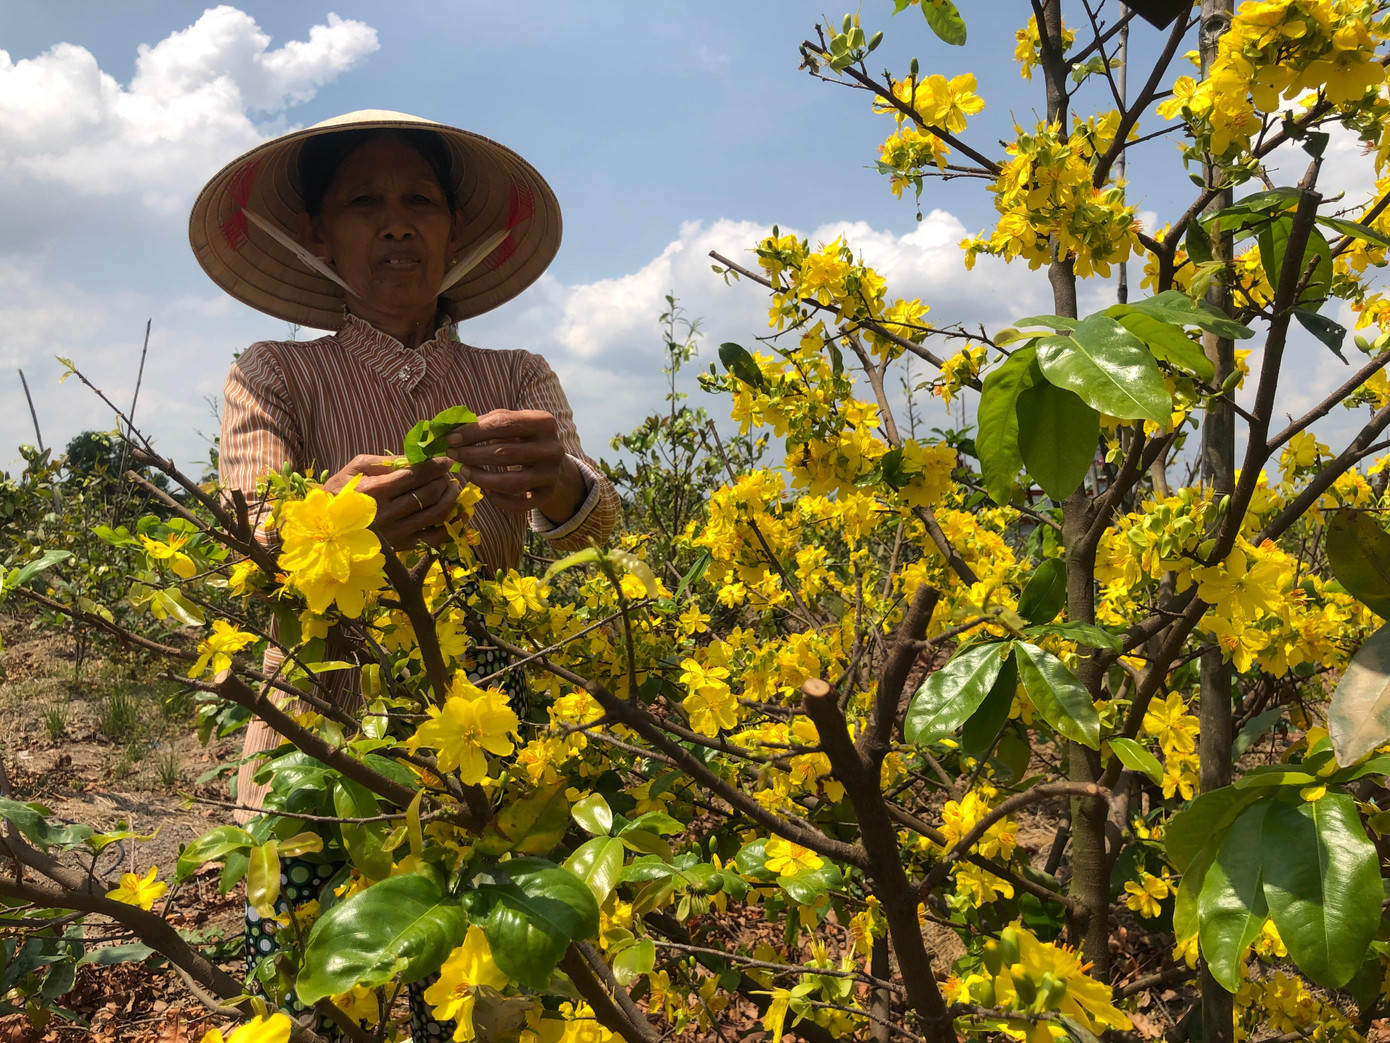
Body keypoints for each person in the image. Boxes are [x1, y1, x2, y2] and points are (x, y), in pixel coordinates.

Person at [189, 110, 618, 1039]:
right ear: (318, 237)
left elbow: (594, 537)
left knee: (487, 1005)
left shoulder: (518, 374)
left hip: (493, 744)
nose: (395, 221)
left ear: (453, 232)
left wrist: (558, 480)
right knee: (315, 1009)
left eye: (419, 199)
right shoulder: (271, 374)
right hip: (318, 756)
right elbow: (247, 550)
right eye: (363, 202)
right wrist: (325, 517)